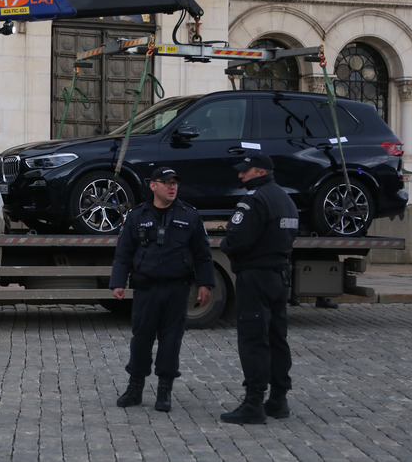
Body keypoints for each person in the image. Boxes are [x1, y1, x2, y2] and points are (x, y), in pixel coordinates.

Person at [109, 166, 215, 412]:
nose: (172, 186)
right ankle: (135, 388)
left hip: (177, 289)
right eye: (166, 182)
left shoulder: (189, 215)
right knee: (141, 339)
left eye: (175, 182)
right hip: (146, 289)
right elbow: (124, 253)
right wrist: (117, 282)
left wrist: (206, 283)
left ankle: (164, 391)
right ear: (153, 185)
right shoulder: (136, 216)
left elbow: (203, 254)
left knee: (171, 341)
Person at [219, 153, 299, 425]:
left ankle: (254, 402)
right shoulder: (286, 200)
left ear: (260, 172)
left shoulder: (254, 200)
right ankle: (278, 399)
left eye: (245, 171)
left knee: (254, 338)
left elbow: (237, 239)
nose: (240, 176)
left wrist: (226, 246)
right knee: (277, 338)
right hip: (279, 275)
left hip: (256, 276)